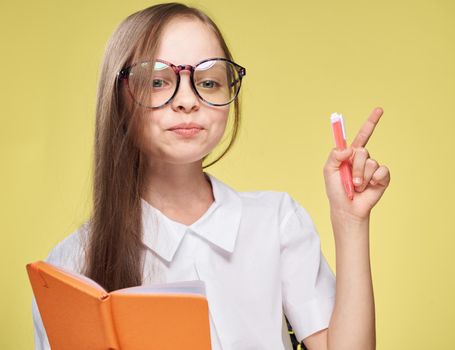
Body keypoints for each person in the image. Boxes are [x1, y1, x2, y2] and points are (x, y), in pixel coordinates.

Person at [31, 3, 390, 350]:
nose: (187, 100)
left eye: (209, 82)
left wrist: (350, 221)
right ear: (119, 98)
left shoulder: (276, 220)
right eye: (158, 81)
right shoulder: (71, 264)